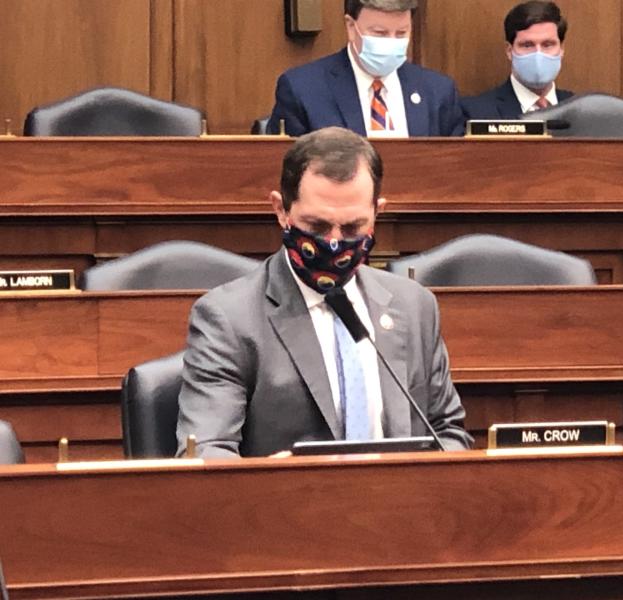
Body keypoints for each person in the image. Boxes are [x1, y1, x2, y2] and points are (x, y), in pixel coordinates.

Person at [176, 127, 472, 457]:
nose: (333, 242)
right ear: (280, 210)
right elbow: (205, 451)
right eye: (316, 227)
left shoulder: (414, 306)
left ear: (378, 213)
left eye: (352, 228)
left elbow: (448, 433)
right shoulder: (229, 317)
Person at [267, 0, 464, 137]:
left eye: (401, 33)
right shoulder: (303, 90)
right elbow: (285, 176)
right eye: (380, 33)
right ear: (351, 27)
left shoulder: (438, 92)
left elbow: (456, 169)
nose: (391, 41)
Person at [461, 1, 573, 120]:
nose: (538, 54)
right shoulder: (477, 112)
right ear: (509, 51)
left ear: (561, 49)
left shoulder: (581, 109)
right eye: (527, 45)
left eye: (548, 44)